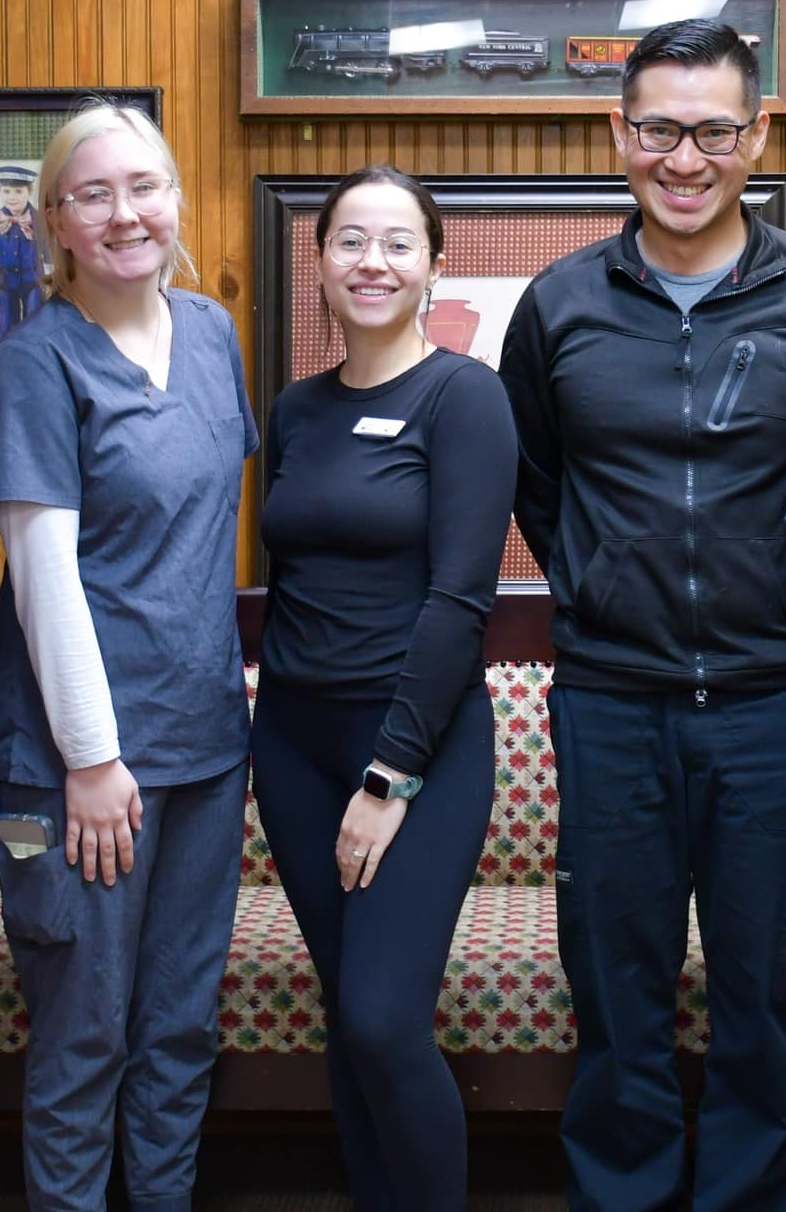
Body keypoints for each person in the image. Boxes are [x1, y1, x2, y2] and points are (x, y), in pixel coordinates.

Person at [499, 18, 786, 1211]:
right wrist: (604, 597)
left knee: (761, 993)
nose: (685, 157)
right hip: (611, 704)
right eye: (660, 129)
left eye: (713, 130)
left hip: (776, 706)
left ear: (756, 133)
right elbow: (538, 483)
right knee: (614, 991)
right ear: (619, 133)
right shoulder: (559, 304)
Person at [0, 100, 257, 1212]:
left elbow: (198, 541)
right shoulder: (35, 366)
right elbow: (41, 579)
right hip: (83, 768)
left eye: (141, 186)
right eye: (90, 195)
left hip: (201, 750)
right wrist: (93, 758)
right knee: (86, 1036)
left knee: (179, 1029)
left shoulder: (211, 333)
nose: (123, 213)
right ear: (52, 223)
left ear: (176, 201)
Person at [252, 166, 516, 1211]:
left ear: (434, 264)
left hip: (414, 750)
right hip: (291, 744)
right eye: (350, 241)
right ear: (318, 262)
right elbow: (294, 579)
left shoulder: (465, 396)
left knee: (381, 1018)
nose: (373, 262)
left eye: (397, 243)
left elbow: (459, 601)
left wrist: (388, 775)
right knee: (344, 1014)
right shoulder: (296, 410)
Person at [0, 162, 46, 338]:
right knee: (6, 319)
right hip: (4, 279)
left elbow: (46, 244)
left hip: (32, 278)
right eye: (6, 191)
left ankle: (32, 349)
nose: (12, 197)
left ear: (29, 192)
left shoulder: (38, 218)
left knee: (33, 317)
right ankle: (7, 350)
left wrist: (49, 269)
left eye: (19, 191)